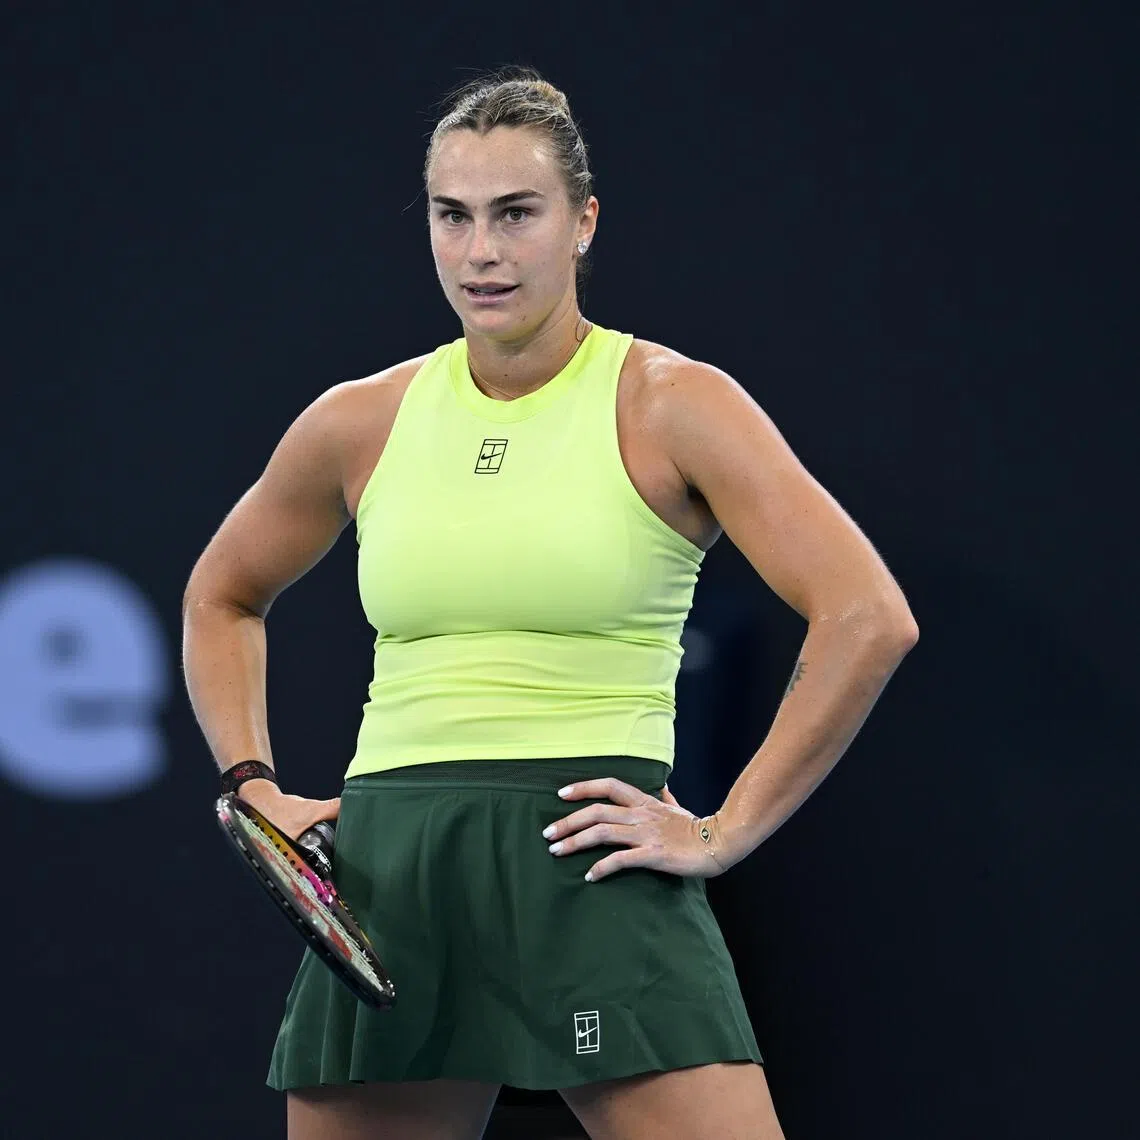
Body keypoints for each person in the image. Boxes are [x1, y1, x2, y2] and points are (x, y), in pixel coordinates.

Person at [182, 66, 918, 1140]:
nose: (481, 252)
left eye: (515, 214)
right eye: (452, 216)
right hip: (395, 878)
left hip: (586, 865)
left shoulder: (675, 404)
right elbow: (223, 594)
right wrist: (255, 788)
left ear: (582, 222)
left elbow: (867, 616)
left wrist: (721, 832)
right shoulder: (360, 420)